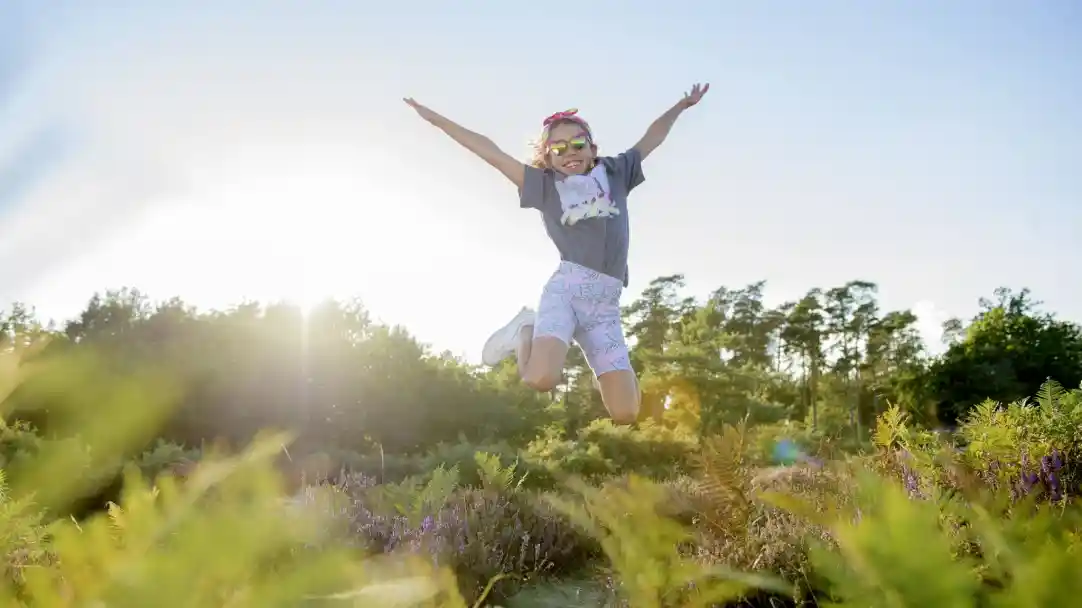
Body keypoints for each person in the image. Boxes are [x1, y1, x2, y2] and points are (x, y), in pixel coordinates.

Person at [403, 83, 710, 424]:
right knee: (540, 379)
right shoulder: (545, 187)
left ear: (592, 148)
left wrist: (681, 106)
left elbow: (652, 137)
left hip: (605, 309)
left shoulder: (616, 172)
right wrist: (436, 120)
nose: (570, 152)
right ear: (548, 156)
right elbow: (490, 152)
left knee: (626, 413)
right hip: (567, 293)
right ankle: (524, 331)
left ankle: (608, 363)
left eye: (578, 144)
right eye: (558, 148)